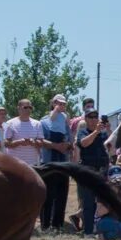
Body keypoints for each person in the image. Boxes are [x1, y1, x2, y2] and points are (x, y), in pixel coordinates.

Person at [36, 95, 75, 231]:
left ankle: (58, 224)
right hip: (49, 161)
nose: (61, 106)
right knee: (48, 193)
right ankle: (45, 224)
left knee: (61, 192)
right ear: (53, 103)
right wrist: (55, 146)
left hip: (63, 161)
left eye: (63, 103)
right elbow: (41, 140)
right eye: (58, 103)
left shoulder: (65, 121)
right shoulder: (44, 121)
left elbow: (71, 140)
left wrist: (67, 145)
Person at [74, 103, 112, 235]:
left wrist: (108, 131)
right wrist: (96, 131)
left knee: (102, 201)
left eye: (96, 116)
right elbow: (84, 143)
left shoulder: (102, 133)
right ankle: (88, 231)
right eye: (90, 117)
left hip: (102, 170)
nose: (93, 119)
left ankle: (100, 229)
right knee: (88, 202)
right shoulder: (82, 132)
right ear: (85, 119)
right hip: (88, 171)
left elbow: (111, 147)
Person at [1, 99, 43, 167]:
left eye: (30, 108)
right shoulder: (9, 123)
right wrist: (19, 142)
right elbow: (6, 144)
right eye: (25, 107)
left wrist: (34, 142)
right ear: (18, 108)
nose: (28, 110)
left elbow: (41, 143)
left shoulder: (38, 124)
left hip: (32, 164)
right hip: (15, 164)